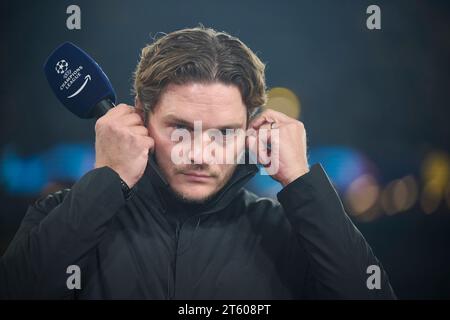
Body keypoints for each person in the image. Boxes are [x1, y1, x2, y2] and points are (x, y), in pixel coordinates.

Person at [0, 26, 396, 299]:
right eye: (180, 129)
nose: (200, 153)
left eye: (223, 133)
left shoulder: (289, 234)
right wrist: (108, 179)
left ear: (251, 129)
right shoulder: (63, 215)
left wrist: (301, 182)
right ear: (140, 117)